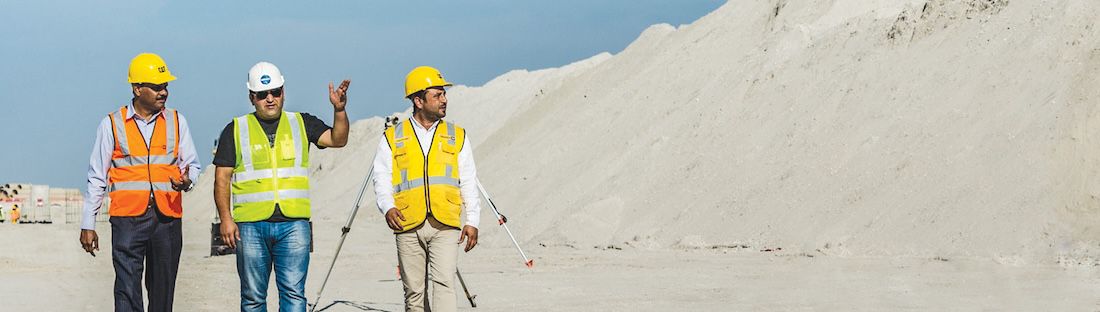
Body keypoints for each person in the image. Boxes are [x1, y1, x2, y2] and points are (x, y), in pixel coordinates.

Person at [212, 61, 350, 311]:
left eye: (275, 92)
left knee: (294, 296)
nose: (270, 99)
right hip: (250, 226)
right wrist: (225, 218)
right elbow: (222, 177)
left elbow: (338, 139)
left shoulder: (301, 122)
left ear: (283, 92)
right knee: (253, 298)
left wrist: (339, 110)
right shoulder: (235, 129)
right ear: (251, 97)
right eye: (263, 94)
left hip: (293, 224)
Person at [79, 52, 201, 312]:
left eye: (165, 86)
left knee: (162, 294)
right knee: (126, 291)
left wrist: (187, 181)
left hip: (166, 220)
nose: (164, 92)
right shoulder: (111, 124)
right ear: (137, 88)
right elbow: (97, 177)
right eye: (157, 87)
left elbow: (193, 166)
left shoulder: (177, 121)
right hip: (127, 221)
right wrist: (88, 223)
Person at [372, 66, 481, 312]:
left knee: (445, 284)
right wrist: (387, 207)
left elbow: (468, 180)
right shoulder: (392, 137)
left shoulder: (457, 135)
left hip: (445, 223)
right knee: (414, 293)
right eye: (438, 95)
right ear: (418, 101)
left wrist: (472, 219)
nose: (444, 100)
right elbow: (381, 177)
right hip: (407, 222)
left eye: (444, 94)